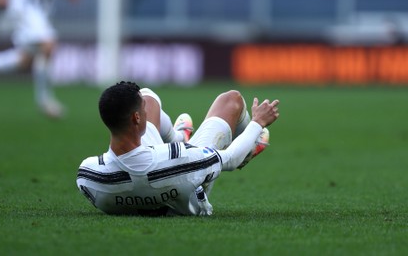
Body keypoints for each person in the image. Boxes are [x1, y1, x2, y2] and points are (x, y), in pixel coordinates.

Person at [76, 81, 280, 216]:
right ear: (137, 117)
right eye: (142, 111)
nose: (145, 113)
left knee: (147, 96)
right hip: (187, 183)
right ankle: (249, 146)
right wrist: (258, 122)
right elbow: (230, 159)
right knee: (231, 100)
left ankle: (179, 136)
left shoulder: (89, 174)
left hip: (154, 163)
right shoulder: (183, 158)